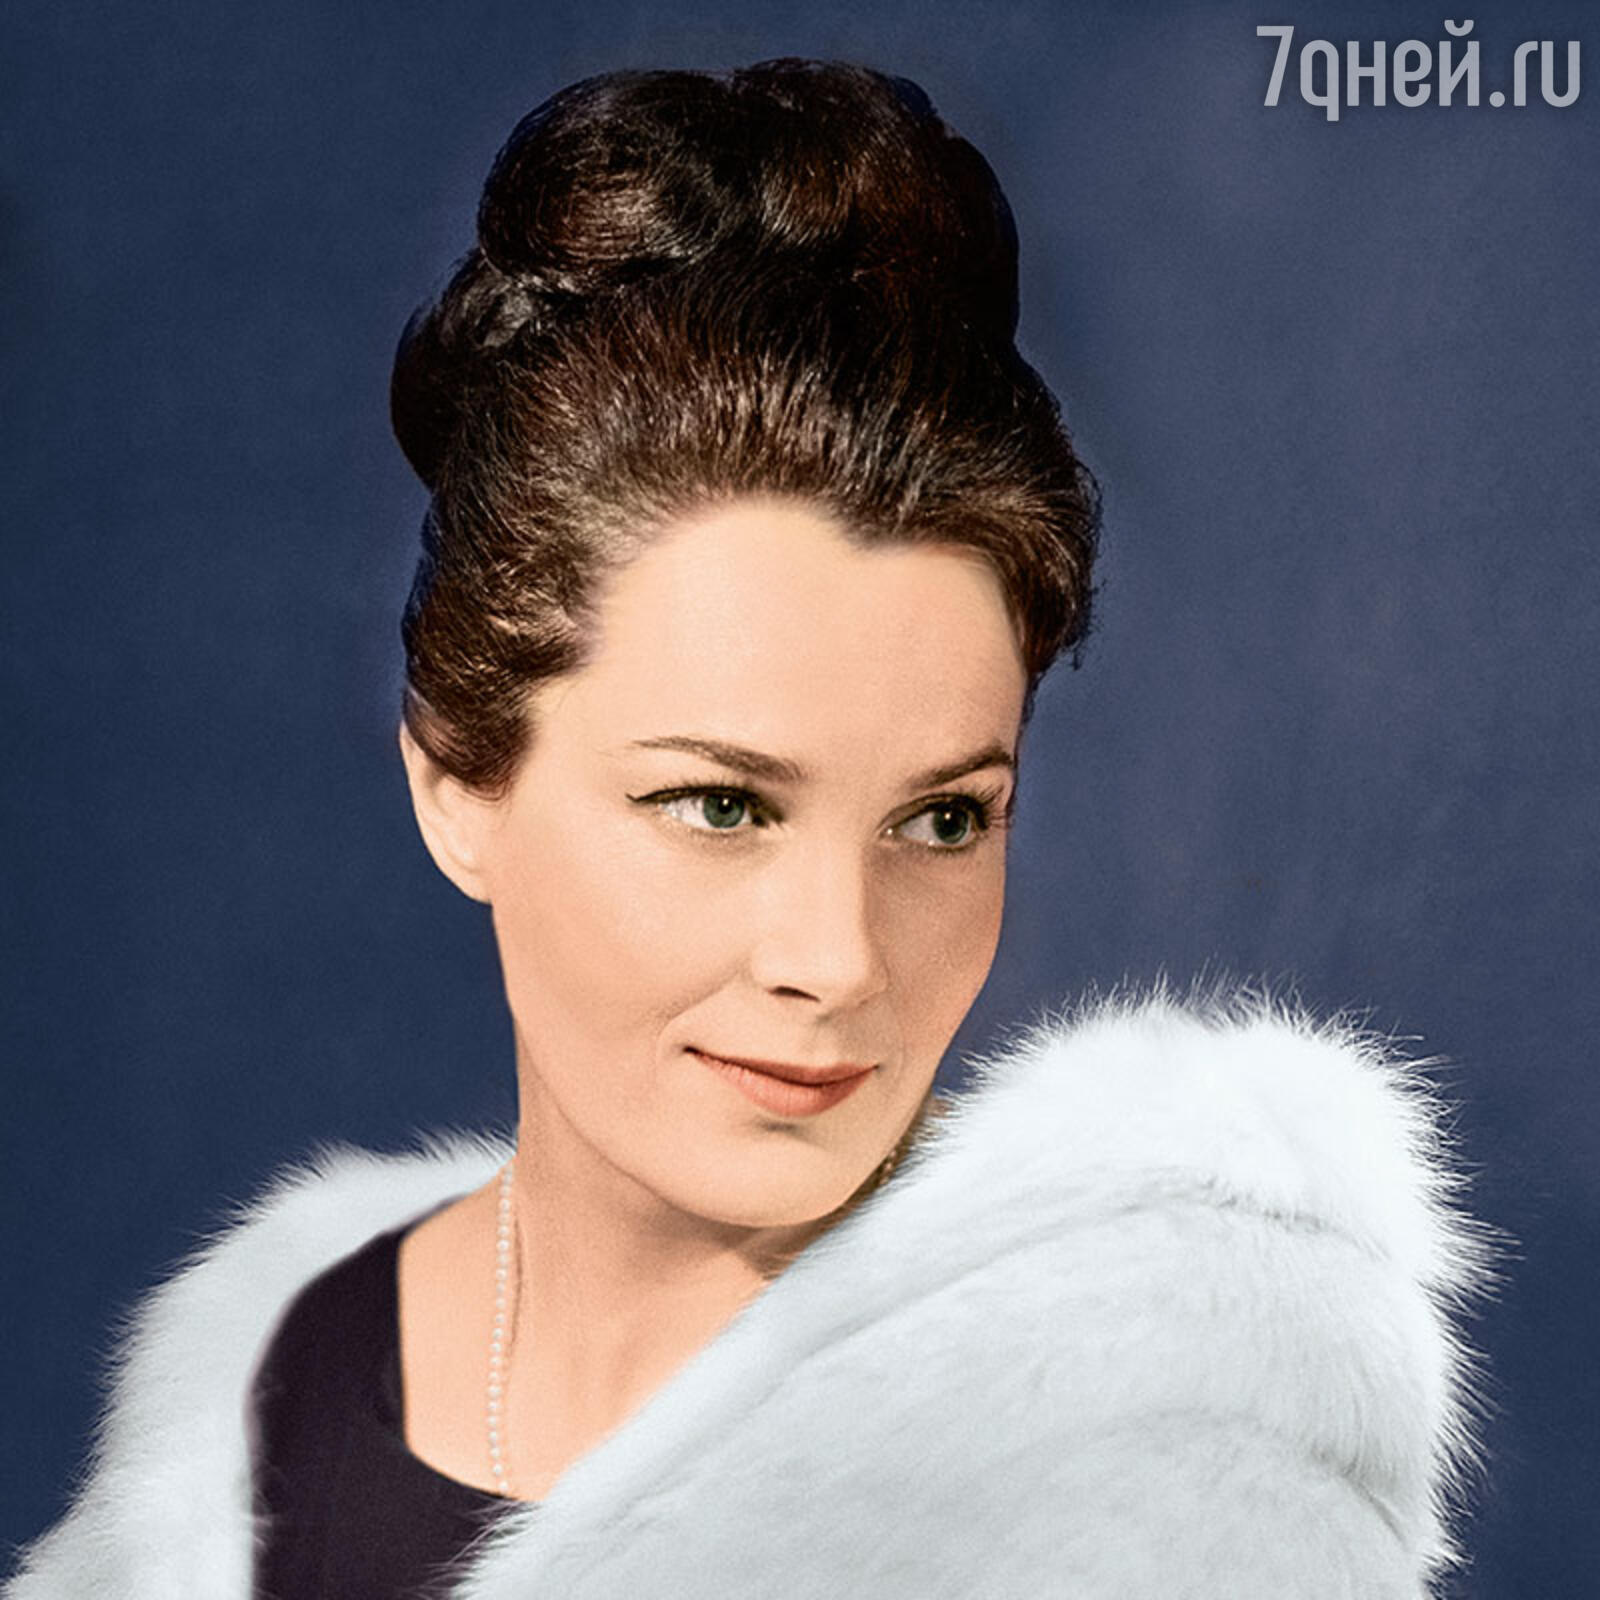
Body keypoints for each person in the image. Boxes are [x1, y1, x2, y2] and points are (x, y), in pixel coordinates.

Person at [5, 59, 1493, 1600]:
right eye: (721, 804)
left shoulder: (1167, 1492)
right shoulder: (266, 1389)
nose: (841, 960)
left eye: (943, 819)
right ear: (458, 787)